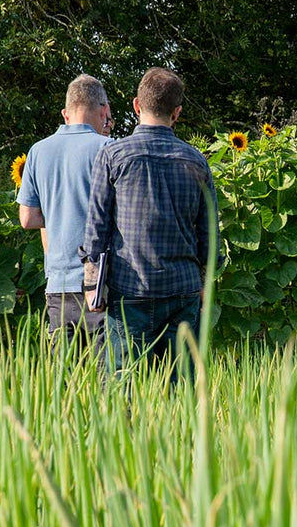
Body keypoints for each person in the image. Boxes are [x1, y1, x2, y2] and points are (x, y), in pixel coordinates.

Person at [81, 67, 219, 379]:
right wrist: (203, 286)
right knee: (180, 386)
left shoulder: (113, 156)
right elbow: (209, 236)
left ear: (136, 105)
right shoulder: (197, 161)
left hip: (130, 289)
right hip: (182, 289)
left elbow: (96, 229)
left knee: (123, 385)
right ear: (178, 112)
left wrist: (92, 285)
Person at [17, 74, 112, 342]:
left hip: (57, 284)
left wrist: (60, 213)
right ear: (103, 111)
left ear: (65, 113)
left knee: (63, 379)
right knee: (107, 378)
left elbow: (27, 218)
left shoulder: (38, 151)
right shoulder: (108, 149)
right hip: (99, 284)